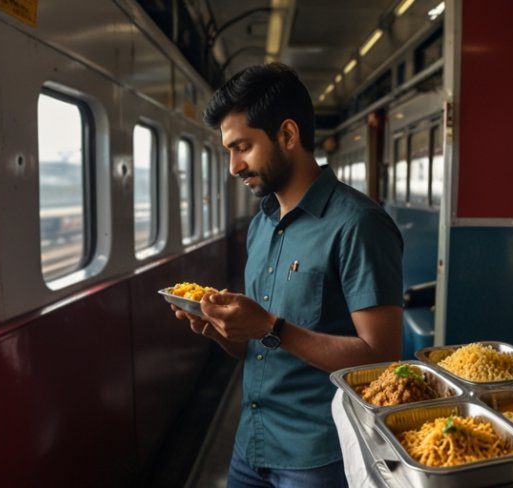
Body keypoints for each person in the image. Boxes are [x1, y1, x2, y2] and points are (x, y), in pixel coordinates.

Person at [170, 62, 403, 488]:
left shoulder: (359, 224)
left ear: (288, 135)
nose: (233, 166)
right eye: (228, 151)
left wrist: (270, 325)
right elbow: (255, 348)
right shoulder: (261, 223)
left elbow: (382, 359)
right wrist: (220, 329)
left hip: (318, 457)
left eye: (242, 147)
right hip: (250, 447)